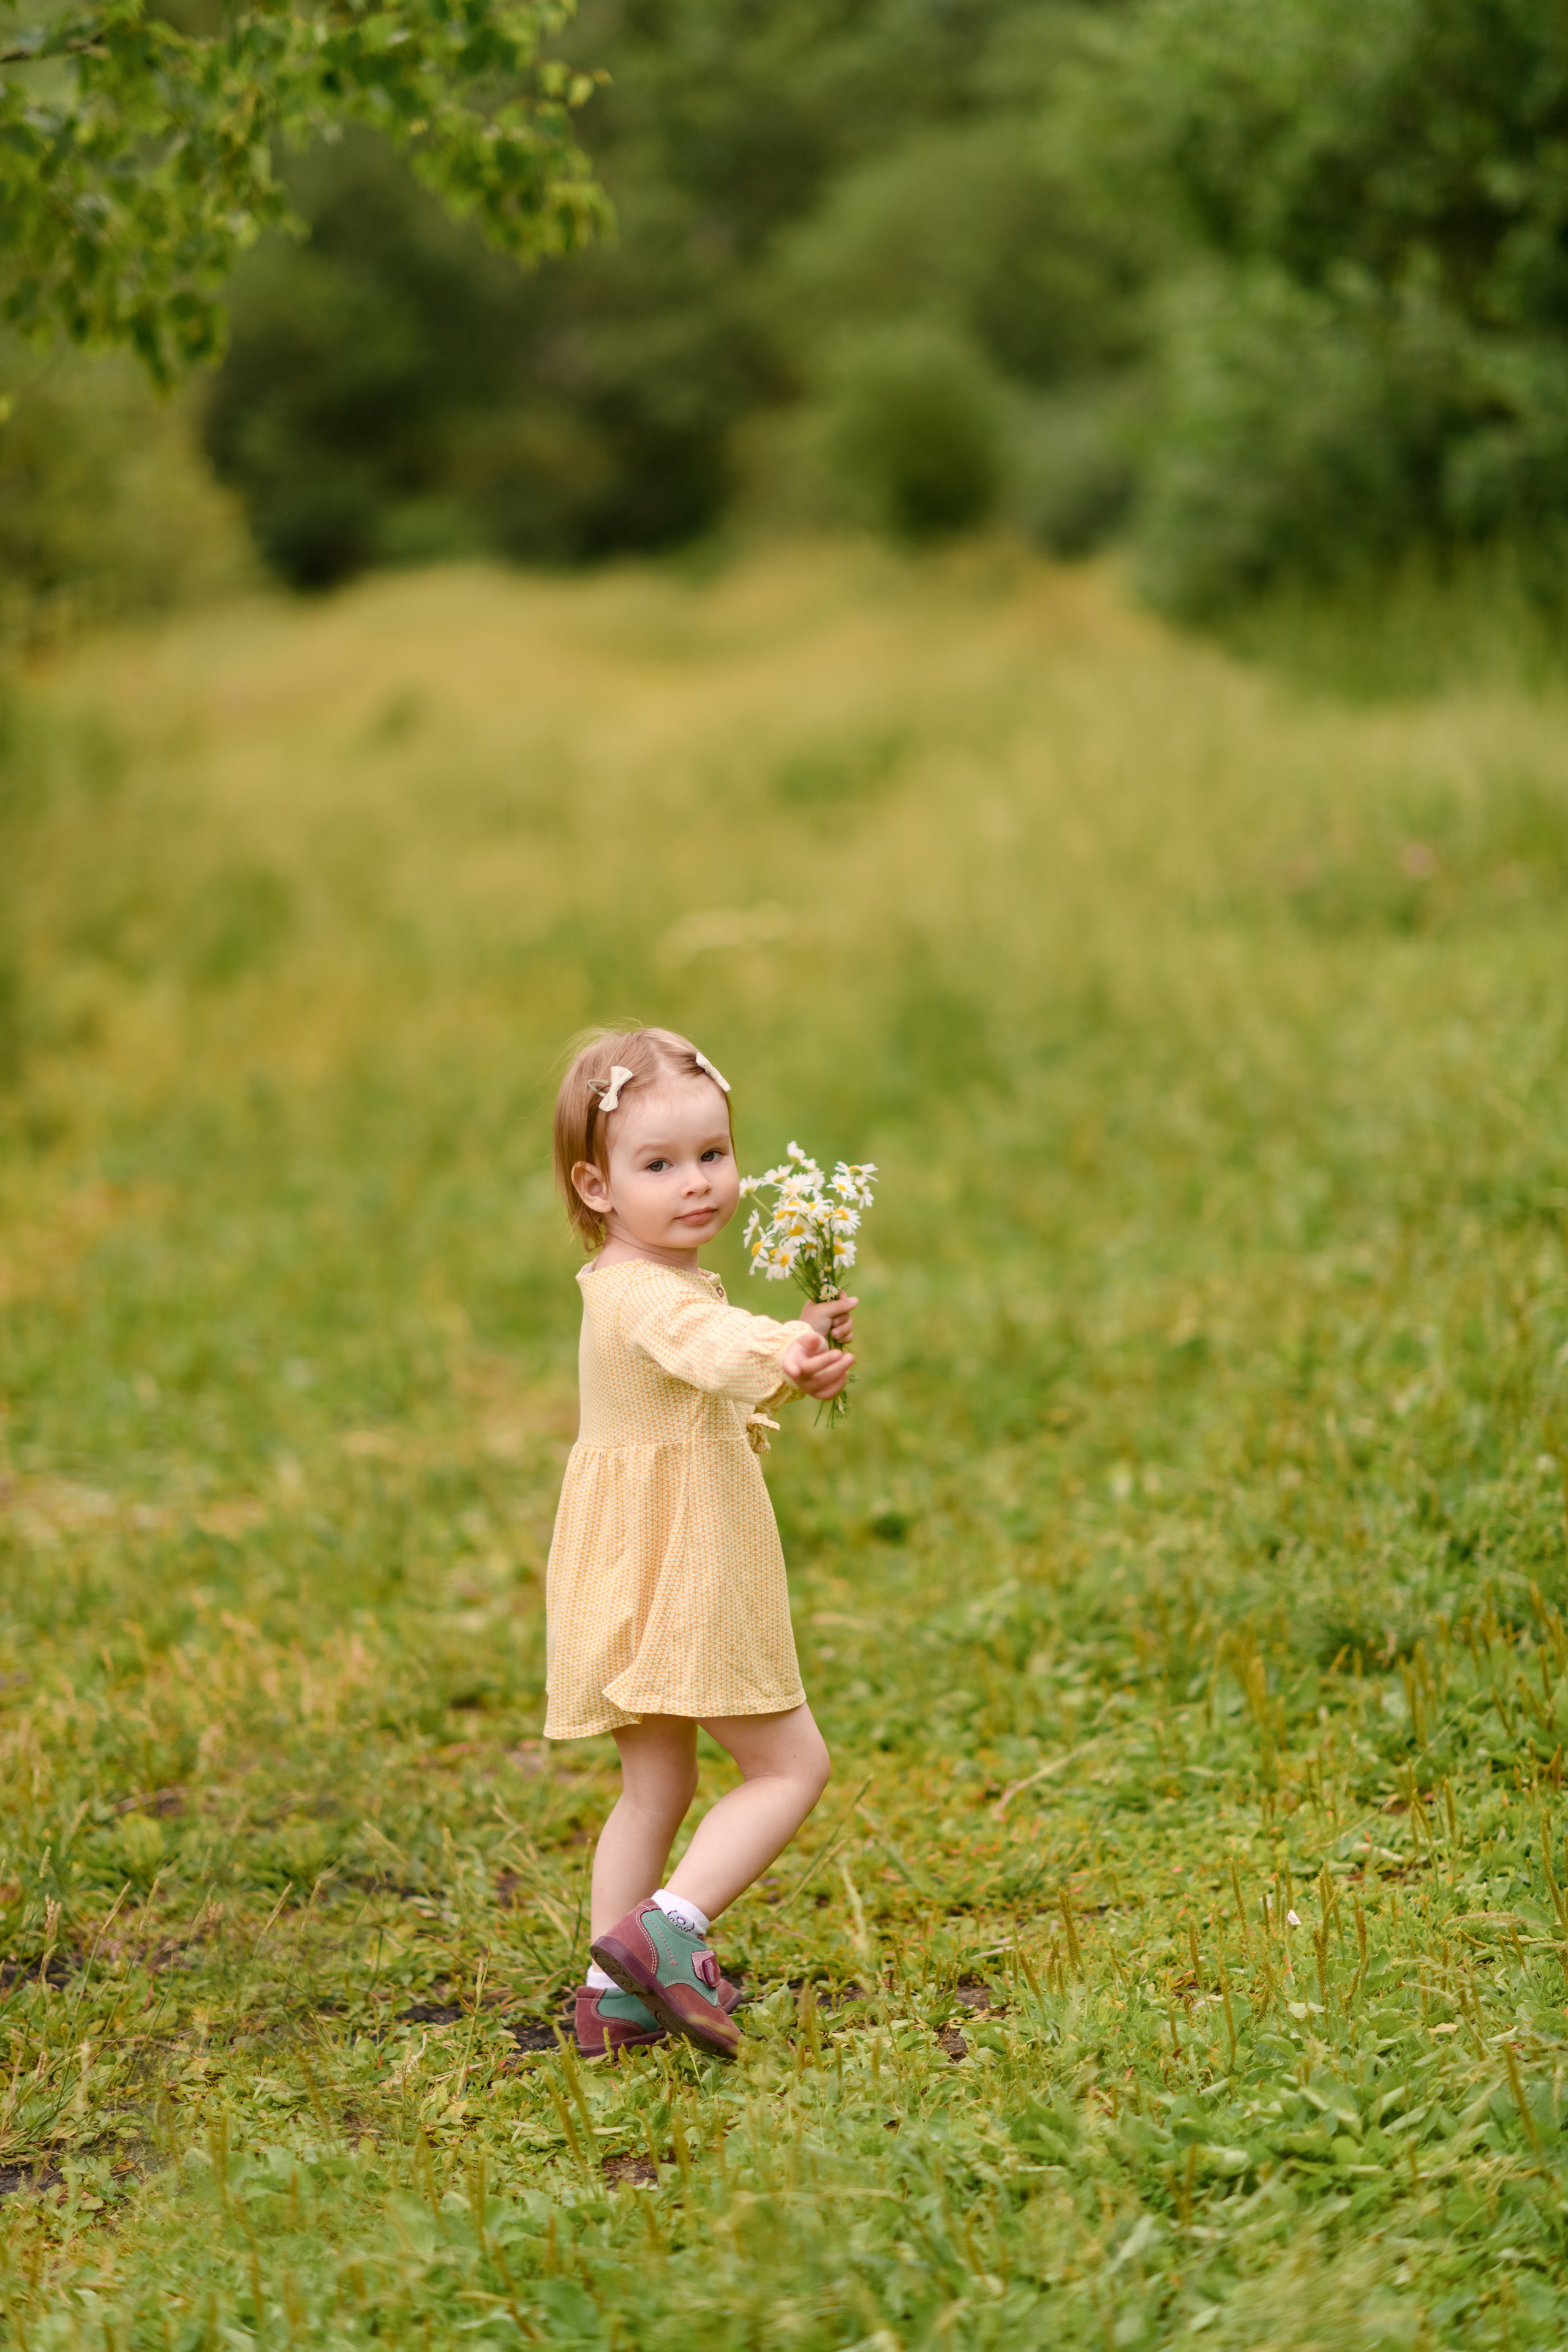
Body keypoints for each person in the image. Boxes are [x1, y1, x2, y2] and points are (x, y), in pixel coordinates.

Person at [545, 1026, 856, 2060]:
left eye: (714, 1156)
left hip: (627, 1568)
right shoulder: (647, 1297)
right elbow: (704, 1344)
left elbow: (715, 1355)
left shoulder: (633, 1284)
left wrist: (793, 1340)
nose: (698, 1185)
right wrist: (782, 1348)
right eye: (659, 1165)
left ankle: (609, 1994)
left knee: (657, 1787)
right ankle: (667, 1935)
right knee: (789, 1767)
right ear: (596, 1187)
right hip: (683, 1570)